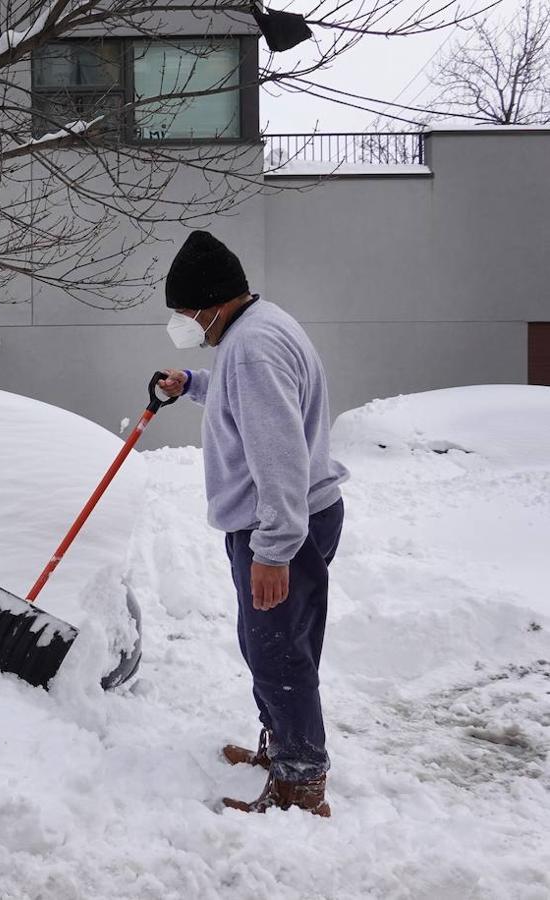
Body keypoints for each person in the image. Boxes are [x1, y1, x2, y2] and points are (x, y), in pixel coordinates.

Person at [156, 230, 349, 817]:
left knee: (278, 655)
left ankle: (300, 784)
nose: (182, 322)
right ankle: (284, 747)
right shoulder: (255, 330)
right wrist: (192, 384)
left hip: (283, 526)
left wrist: (273, 550)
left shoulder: (253, 348)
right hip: (290, 521)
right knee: (273, 645)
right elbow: (249, 401)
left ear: (213, 304)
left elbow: (281, 456)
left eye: (186, 311)